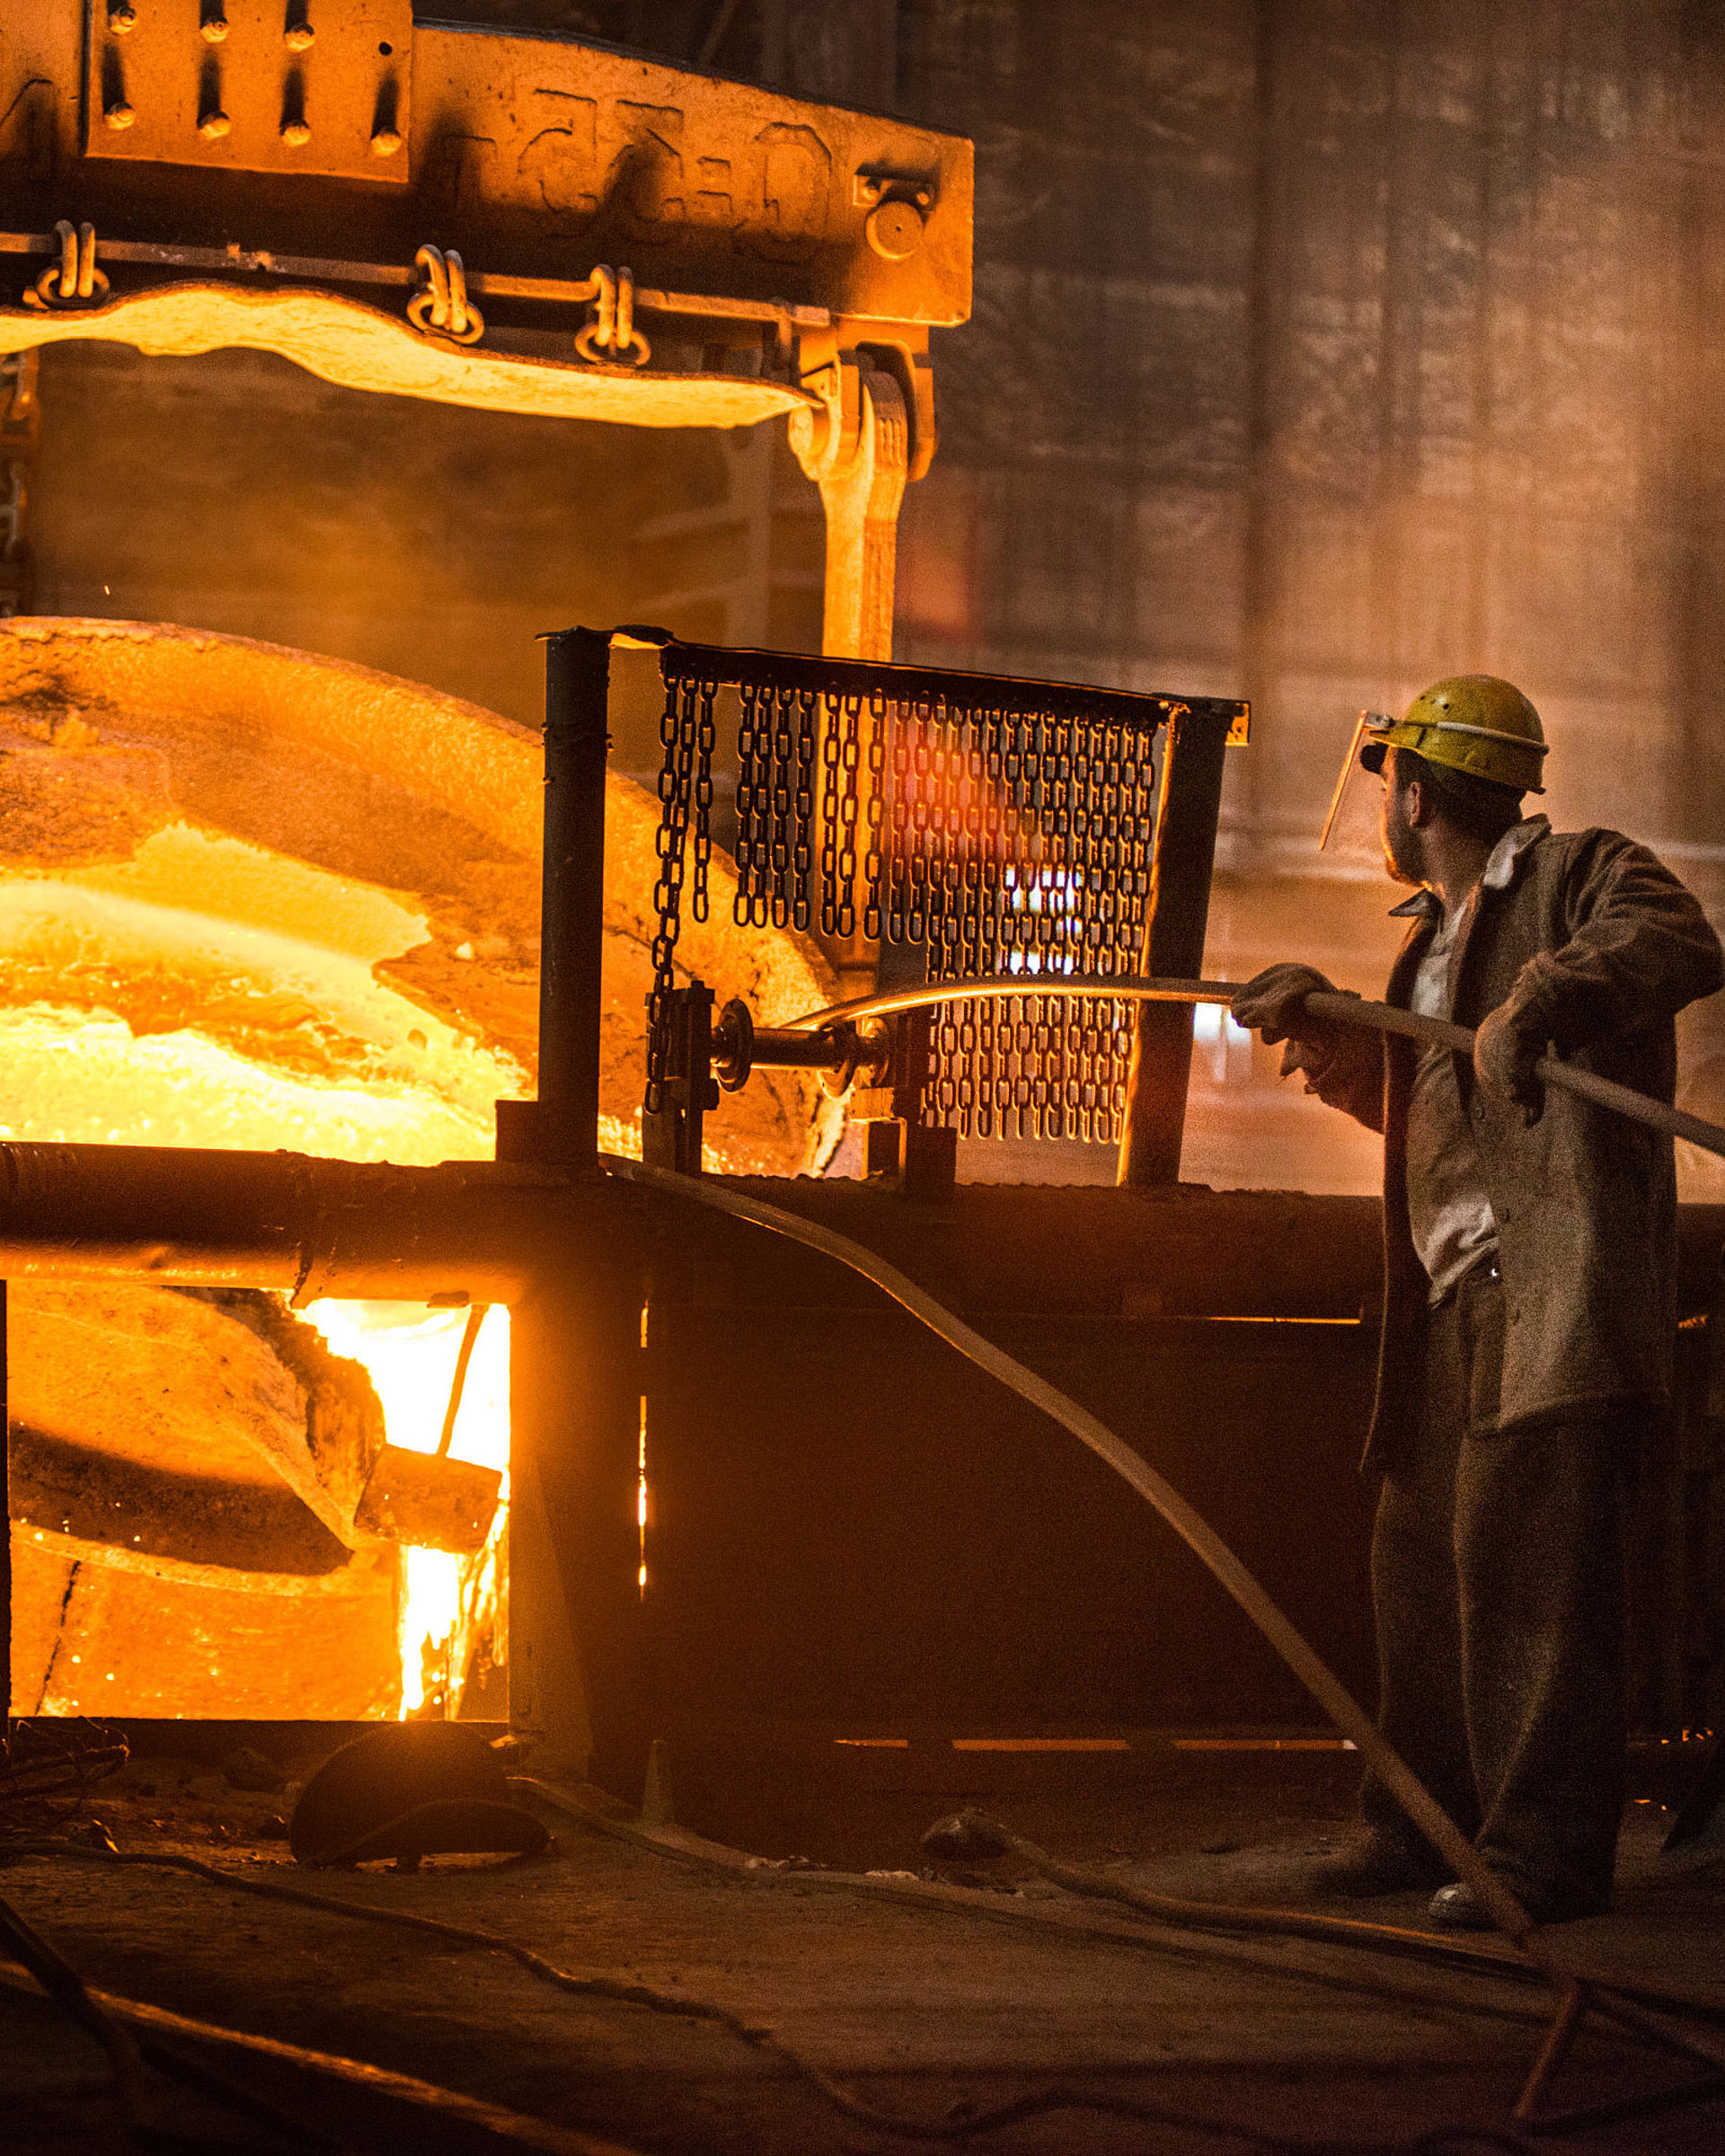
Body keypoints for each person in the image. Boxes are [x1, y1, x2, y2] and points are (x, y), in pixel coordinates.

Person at [1233, 676, 1724, 1928]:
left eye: (1386, 785)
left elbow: (1681, 938)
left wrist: (1548, 996)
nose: (1379, 808)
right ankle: (1419, 1826)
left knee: (1534, 1584)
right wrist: (1341, 1038)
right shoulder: (1429, 937)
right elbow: (1437, 1118)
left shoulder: (1577, 876)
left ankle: (1543, 1859)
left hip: (1547, 1292)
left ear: (1418, 790)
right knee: (1422, 1565)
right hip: (1450, 1303)